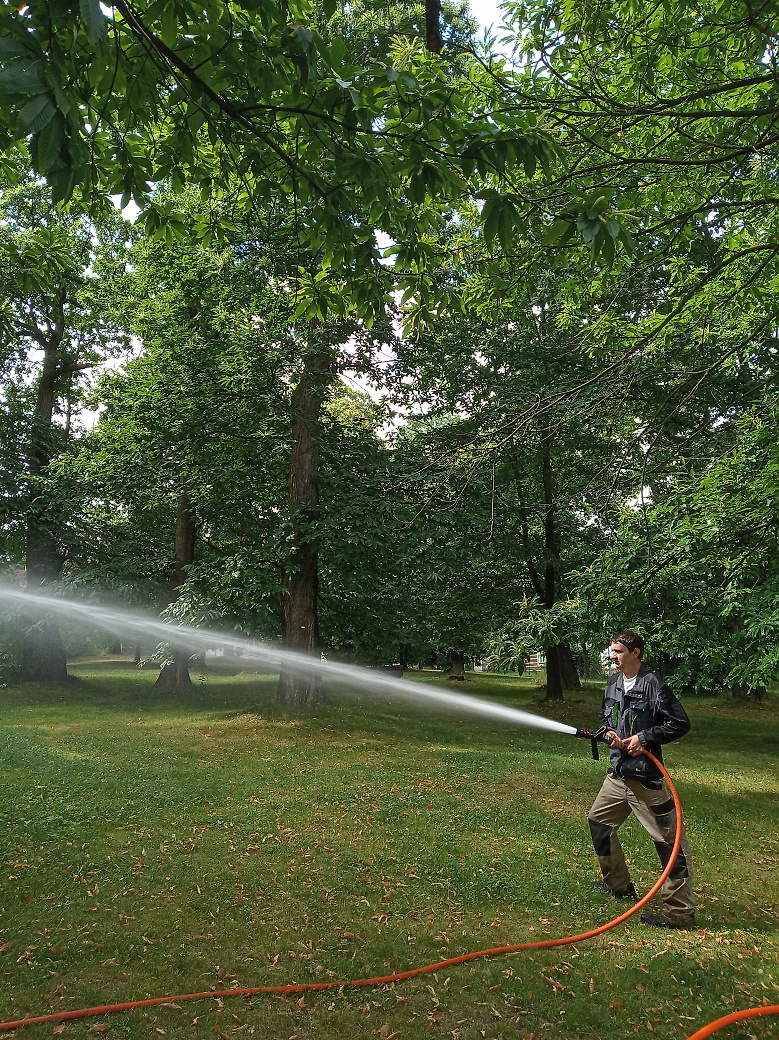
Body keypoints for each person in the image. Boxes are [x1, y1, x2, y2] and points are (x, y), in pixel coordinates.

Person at [588, 629, 696, 929]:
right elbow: (605, 719)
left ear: (636, 653)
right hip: (618, 774)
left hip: (645, 780)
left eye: (619, 651)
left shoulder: (654, 685)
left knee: (669, 842)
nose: (613, 657)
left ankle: (679, 912)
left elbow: (679, 723)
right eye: (612, 651)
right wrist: (608, 732)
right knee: (599, 822)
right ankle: (618, 884)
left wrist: (645, 738)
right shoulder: (612, 684)